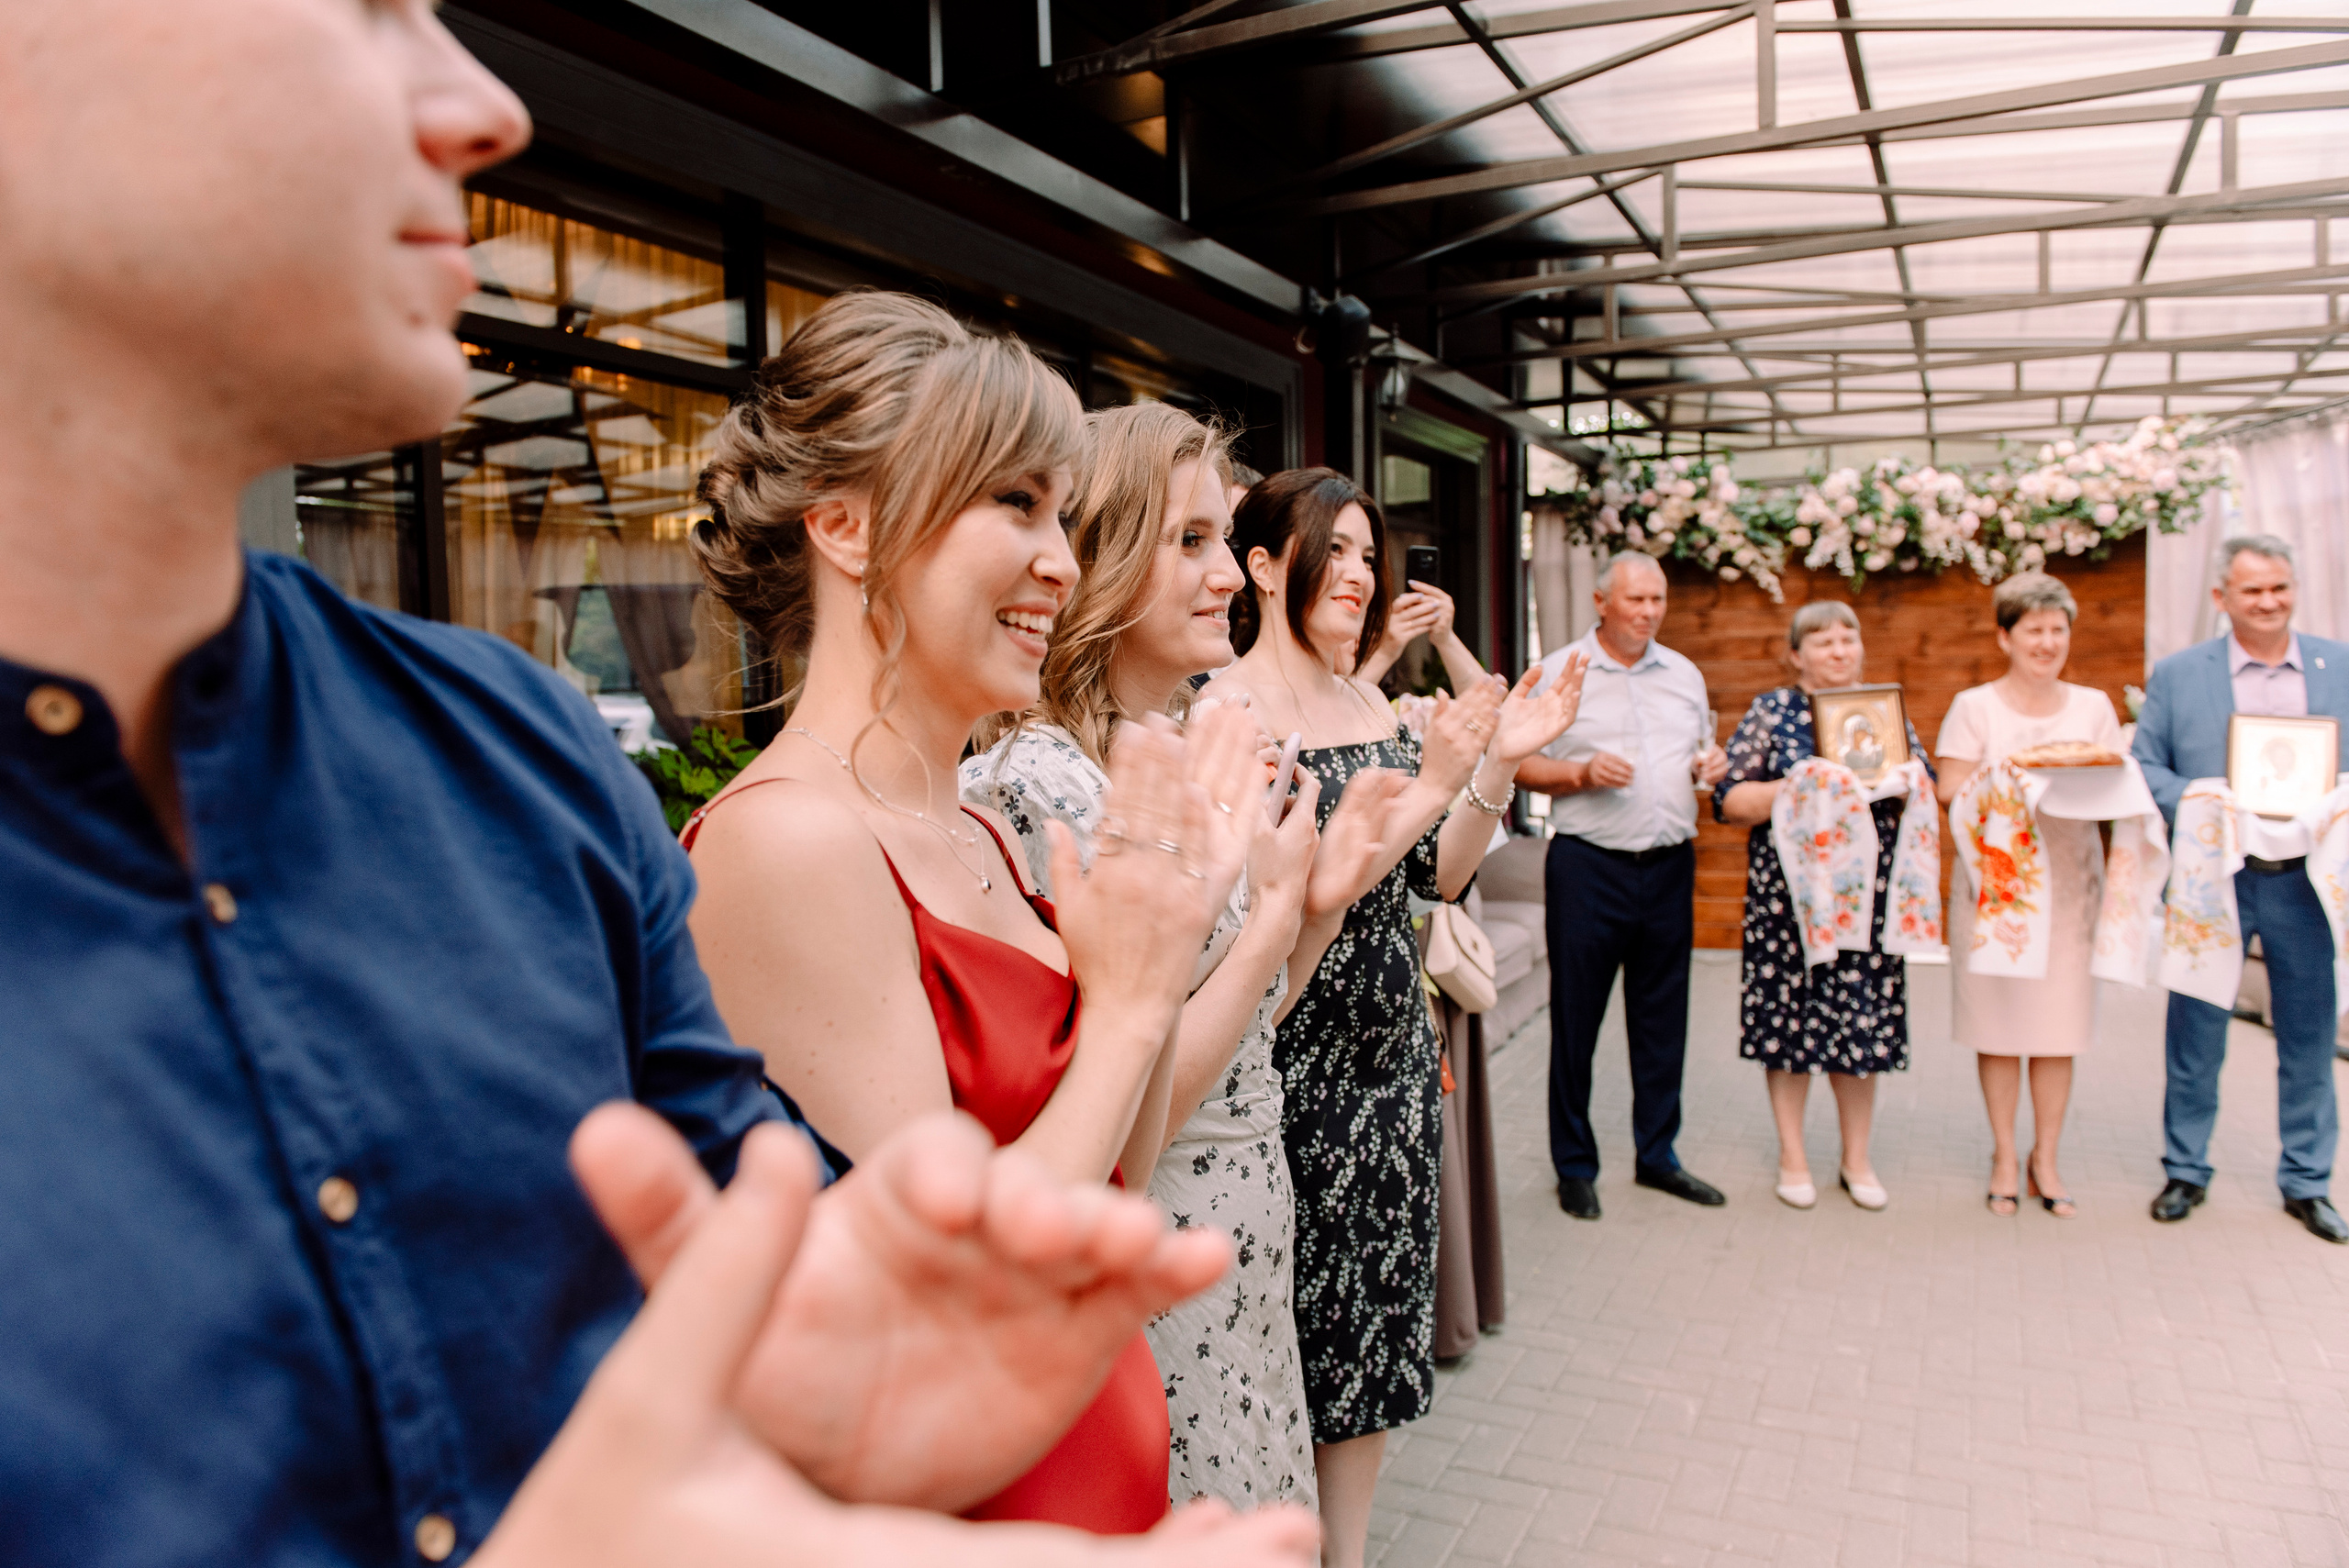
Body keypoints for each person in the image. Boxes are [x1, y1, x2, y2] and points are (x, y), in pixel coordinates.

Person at [0, 4, 1319, 1565]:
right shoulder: (759, 833)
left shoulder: (519, 764)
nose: (483, 104)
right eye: (362, 8)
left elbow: (775, 1306)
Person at [680, 293, 1269, 1532]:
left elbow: (1123, 1170)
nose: (1060, 559)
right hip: (973, 1509)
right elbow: (958, 1303)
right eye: (1015, 504)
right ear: (846, 526)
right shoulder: (789, 844)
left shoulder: (986, 829)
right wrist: (1131, 1002)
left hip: (1100, 1458)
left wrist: (1158, 943)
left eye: (1060, 510)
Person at [963, 404, 1399, 1512]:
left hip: (1252, 1207)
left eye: (1226, 541)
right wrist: (1267, 913)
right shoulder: (1045, 785)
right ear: (1103, 559)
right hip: (1162, 1223)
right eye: (1191, 541)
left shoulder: (1179, 745)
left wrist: (1321, 904)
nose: (1231, 577)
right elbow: (1139, 1093)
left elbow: (1252, 1024)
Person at [1202, 467, 1585, 1568]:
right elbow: (1243, 913)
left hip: (1389, 1055)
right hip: (1282, 1062)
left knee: (1368, 1335)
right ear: (1265, 565)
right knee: (1282, 1337)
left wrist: (1494, 764)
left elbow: (1438, 874)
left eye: (1372, 554)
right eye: (1338, 548)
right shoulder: (1225, 712)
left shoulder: (1370, 704)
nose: (1361, 574)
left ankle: (1349, 1553)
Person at [2133, 535, 2349, 1242]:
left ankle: (2308, 1181)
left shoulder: (2339, 666)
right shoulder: (2179, 673)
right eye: (2253, 590)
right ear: (2222, 597)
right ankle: (2186, 1168)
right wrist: (2199, 799)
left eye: (2280, 587)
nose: (2269, 601)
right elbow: (2147, 767)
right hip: (2212, 882)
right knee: (2195, 1032)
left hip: (2305, 886)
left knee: (2310, 1036)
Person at [1513, 550, 1730, 1220]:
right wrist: (1578, 774)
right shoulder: (1558, 672)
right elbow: (1516, 761)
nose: (1649, 612)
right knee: (1577, 1020)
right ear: (1602, 602)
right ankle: (1575, 1166)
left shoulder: (1685, 674)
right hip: (1589, 867)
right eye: (1636, 600)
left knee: (1664, 1019)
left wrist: (1711, 766)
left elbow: (1702, 751)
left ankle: (1658, 1155)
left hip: (1669, 865)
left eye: (1657, 600)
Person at [1714, 602, 1931, 1212]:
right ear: (1796, 654)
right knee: (1788, 1028)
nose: (1839, 650)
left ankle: (1856, 1158)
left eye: (1848, 638)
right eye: (1823, 641)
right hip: (1788, 906)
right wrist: (1801, 784)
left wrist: (1913, 778)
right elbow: (1731, 800)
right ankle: (1793, 1155)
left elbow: (1921, 778)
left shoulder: (1882, 709)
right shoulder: (1772, 711)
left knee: (1859, 1027)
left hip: (1865, 907)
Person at [1934, 573, 2124, 1218]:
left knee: (2057, 1028)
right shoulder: (1974, 705)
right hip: (1998, 892)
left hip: (2070, 887)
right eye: (2034, 629)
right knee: (2000, 1025)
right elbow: (1949, 786)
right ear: (2005, 636)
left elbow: (2116, 784)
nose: (2048, 642)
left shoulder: (2094, 706)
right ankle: (2004, 1155)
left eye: (2058, 629)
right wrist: (2010, 780)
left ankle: (2046, 1155)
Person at [1353, 578, 1486, 692]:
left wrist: (1445, 639)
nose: (1363, 637)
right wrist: (1385, 653)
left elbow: (1486, 704)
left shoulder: (1405, 711)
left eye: (1375, 629)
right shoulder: (1334, 709)